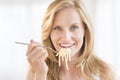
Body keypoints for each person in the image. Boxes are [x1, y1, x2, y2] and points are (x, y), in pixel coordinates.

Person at [26, 0, 115, 80]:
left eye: (74, 27)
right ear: (49, 33)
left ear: (85, 30)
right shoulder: (35, 71)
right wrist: (41, 75)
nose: (66, 37)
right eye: (57, 28)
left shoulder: (104, 73)